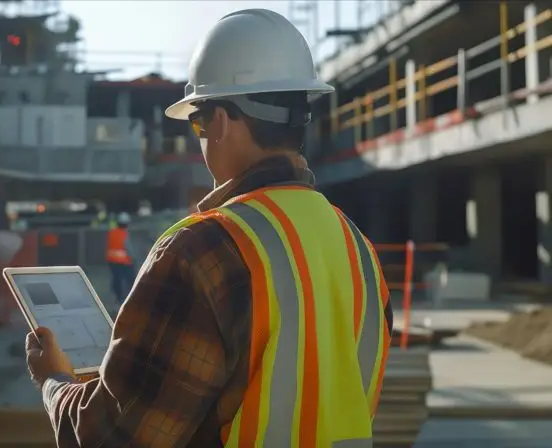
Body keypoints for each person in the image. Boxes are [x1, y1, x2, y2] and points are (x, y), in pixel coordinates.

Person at [25, 9, 393, 447]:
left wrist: (55, 381)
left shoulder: (202, 251)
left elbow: (113, 438)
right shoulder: (358, 248)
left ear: (218, 122)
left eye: (197, 123)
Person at [104, 212, 135, 303]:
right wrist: (133, 257)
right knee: (130, 278)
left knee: (116, 278)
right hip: (124, 261)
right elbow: (128, 247)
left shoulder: (112, 232)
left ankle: (117, 297)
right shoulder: (124, 234)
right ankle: (129, 298)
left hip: (111, 260)